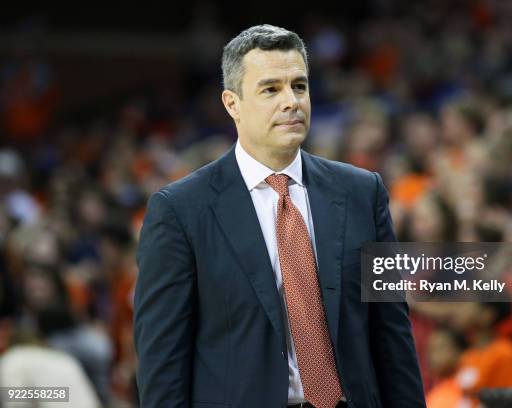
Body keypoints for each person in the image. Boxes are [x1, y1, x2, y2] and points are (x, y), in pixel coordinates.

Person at [134, 24, 425, 408]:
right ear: (232, 103)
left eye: (299, 86)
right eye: (270, 89)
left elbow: (393, 337)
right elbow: (163, 361)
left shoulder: (361, 192)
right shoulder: (180, 210)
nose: (291, 101)